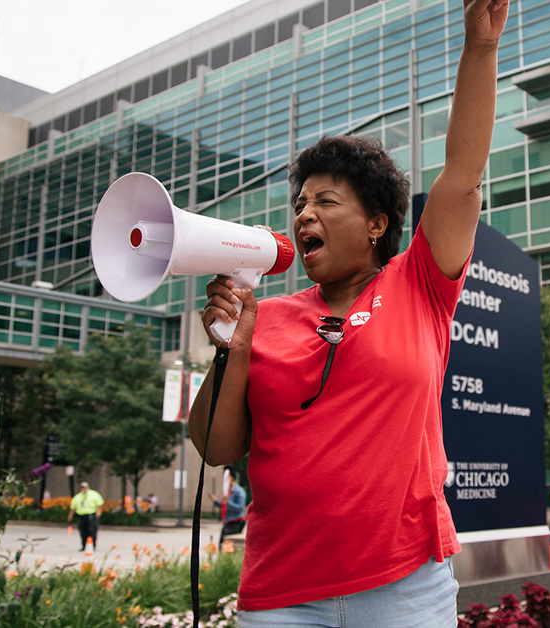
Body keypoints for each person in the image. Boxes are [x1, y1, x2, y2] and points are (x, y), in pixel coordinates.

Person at [189, 1, 508, 622]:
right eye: (300, 203)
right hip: (282, 594)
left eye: (326, 201)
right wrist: (232, 347)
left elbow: (463, 177)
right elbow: (216, 446)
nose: (304, 214)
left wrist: (481, 48)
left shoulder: (417, 282)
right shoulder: (268, 316)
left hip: (405, 590)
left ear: (376, 223)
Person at [210, 469, 248, 544]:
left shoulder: (239, 492)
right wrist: (215, 501)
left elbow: (240, 508)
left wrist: (228, 502)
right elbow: (224, 506)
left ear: (232, 477)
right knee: (222, 543)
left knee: (228, 545)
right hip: (228, 522)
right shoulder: (228, 491)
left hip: (236, 522)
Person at [67, 482, 104, 551]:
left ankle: (92, 546)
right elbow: (73, 507)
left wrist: (98, 512)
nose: (83, 489)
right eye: (82, 487)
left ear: (88, 487)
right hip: (81, 516)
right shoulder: (78, 496)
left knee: (92, 530)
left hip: (91, 515)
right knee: (83, 531)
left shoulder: (93, 494)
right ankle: (84, 546)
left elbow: (99, 504)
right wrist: (70, 516)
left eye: (84, 487)